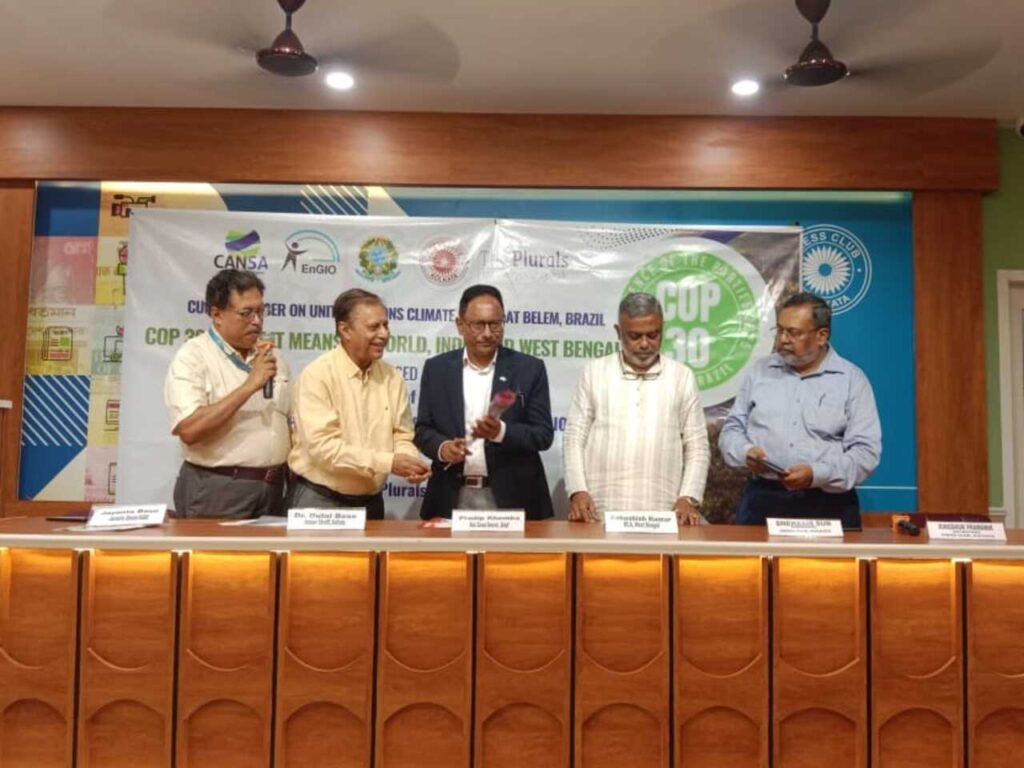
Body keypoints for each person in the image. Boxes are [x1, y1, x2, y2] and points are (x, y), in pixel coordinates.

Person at [718, 292, 882, 529]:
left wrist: (816, 474)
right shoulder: (759, 372)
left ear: (821, 335)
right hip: (763, 499)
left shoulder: (851, 380)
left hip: (829, 504)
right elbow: (732, 430)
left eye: (793, 333)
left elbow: (865, 453)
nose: (783, 340)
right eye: (779, 330)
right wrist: (745, 452)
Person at [564, 292, 710, 525]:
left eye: (653, 335)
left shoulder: (681, 377)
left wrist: (688, 497)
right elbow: (574, 437)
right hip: (600, 511)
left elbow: (697, 445)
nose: (644, 344)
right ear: (618, 332)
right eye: (634, 336)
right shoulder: (595, 372)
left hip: (664, 514)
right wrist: (578, 491)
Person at [287, 288, 430, 518]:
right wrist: (388, 462)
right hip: (320, 500)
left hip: (371, 502)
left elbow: (401, 435)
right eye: (374, 327)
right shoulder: (317, 376)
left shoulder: (392, 377)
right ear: (345, 330)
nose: (384, 334)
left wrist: (410, 462)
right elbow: (323, 448)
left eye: (386, 325)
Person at [415, 284, 554, 519]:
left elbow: (543, 435)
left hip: (514, 498)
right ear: (460, 325)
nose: (488, 333)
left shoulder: (529, 369)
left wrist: (501, 431)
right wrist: (443, 448)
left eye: (495, 324)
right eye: (478, 325)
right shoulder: (437, 369)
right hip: (450, 495)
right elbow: (422, 430)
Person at [165, 269, 289, 518]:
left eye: (261, 311)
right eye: (246, 313)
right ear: (217, 315)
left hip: (274, 489)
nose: (257, 321)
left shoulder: (271, 356)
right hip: (219, 488)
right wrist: (249, 386)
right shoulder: (193, 356)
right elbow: (189, 429)